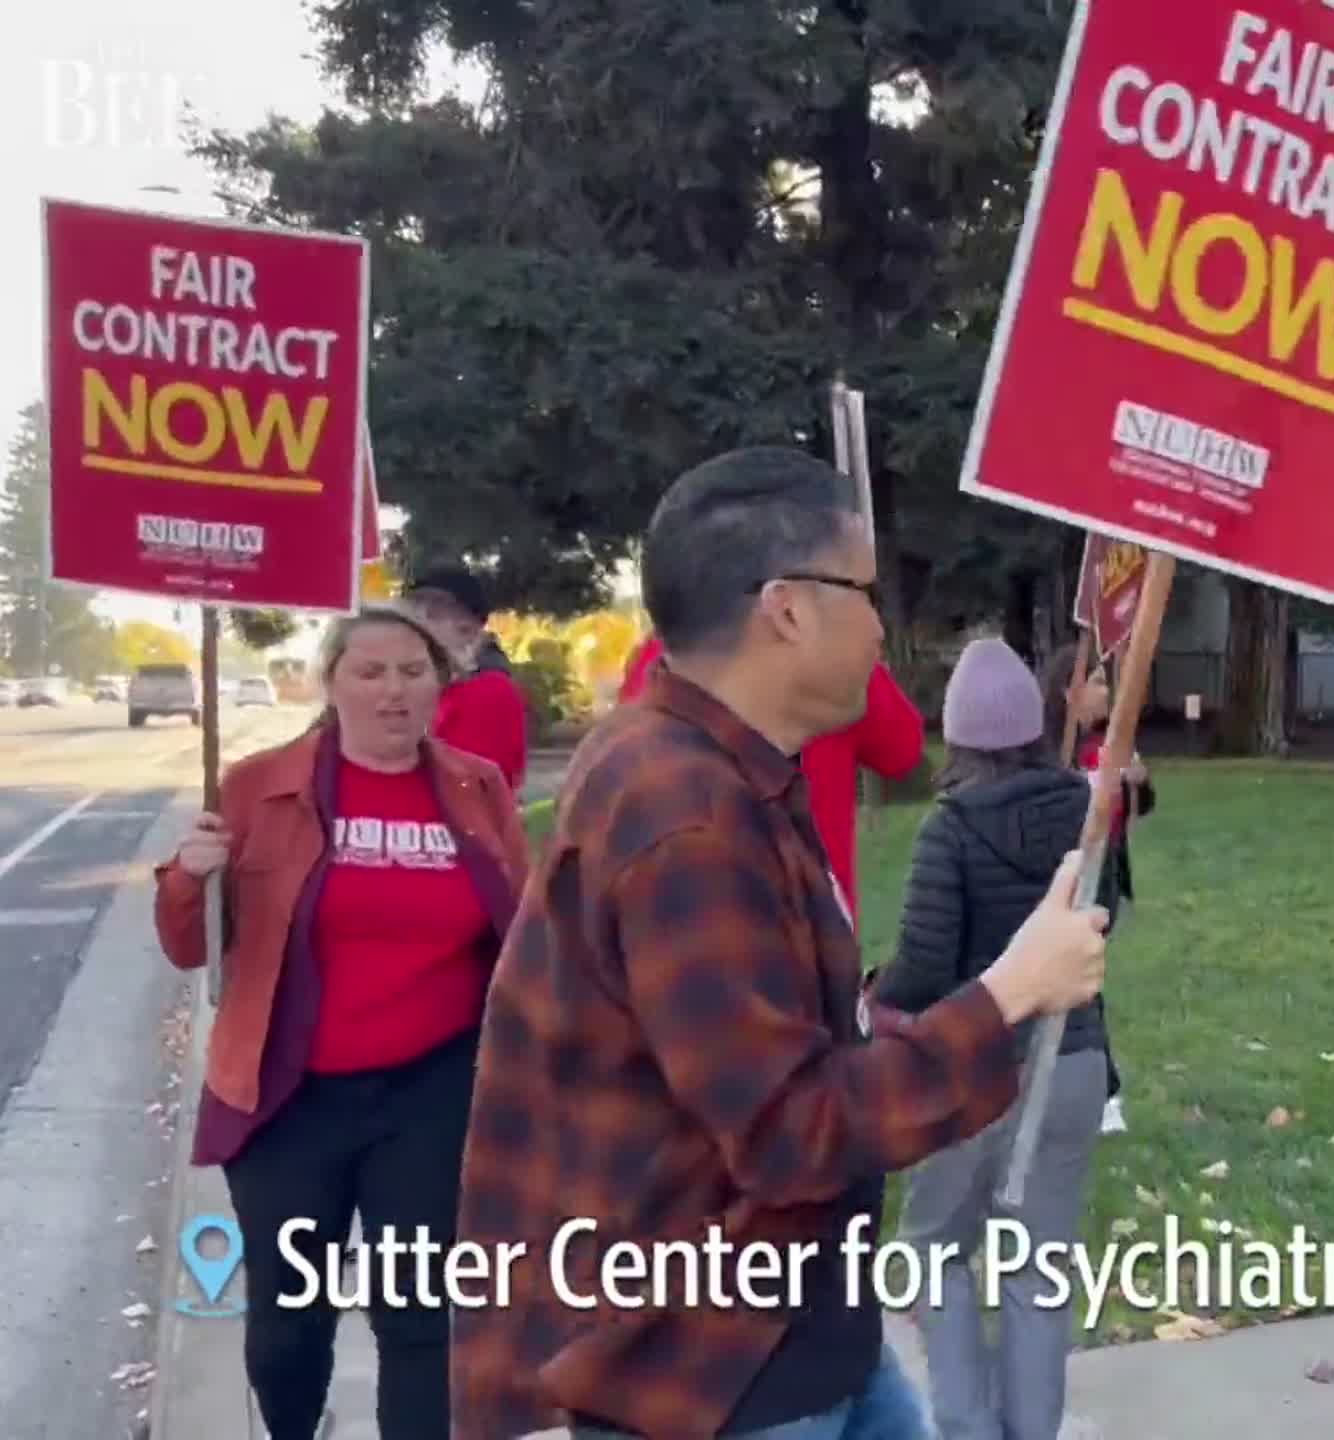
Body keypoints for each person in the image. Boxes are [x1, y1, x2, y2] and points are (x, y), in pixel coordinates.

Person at [447, 447, 1108, 1440]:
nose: (881, 628)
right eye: (865, 593)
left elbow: (772, 1050)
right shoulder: (686, 815)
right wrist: (1008, 993)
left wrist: (894, 1023)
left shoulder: (717, 768)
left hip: (792, 1329)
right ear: (788, 609)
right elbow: (790, 1132)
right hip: (710, 1372)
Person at [152, 605, 529, 1440]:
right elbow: (190, 948)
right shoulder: (257, 786)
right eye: (370, 672)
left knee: (419, 1314)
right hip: (288, 1094)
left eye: (413, 671)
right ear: (330, 685)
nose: (394, 690)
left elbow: (524, 928)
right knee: (288, 1321)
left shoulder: (478, 787)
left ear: (440, 683)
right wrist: (186, 879)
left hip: (433, 1094)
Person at [871, 637, 1119, 1440]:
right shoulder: (1088, 813)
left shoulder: (949, 831)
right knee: (1038, 1266)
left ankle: (970, 1428)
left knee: (932, 1250)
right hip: (1074, 1061)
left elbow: (925, 966)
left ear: (959, 738)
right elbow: (1101, 925)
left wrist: (873, 996)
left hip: (974, 1068)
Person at [618, 629, 924, 916]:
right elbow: (903, 748)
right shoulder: (833, 649)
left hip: (687, 910)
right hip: (814, 917)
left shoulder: (662, 657)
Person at [1043, 648, 1151, 1135]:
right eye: (1098, 681)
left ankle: (1103, 1093)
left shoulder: (1109, 743)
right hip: (1058, 875)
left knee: (1080, 985)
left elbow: (1134, 808)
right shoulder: (1049, 747)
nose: (1108, 692)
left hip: (1098, 877)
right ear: (1070, 690)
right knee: (1068, 985)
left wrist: (1135, 781)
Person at [404, 564, 530, 793]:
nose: (410, 630)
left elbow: (468, 790)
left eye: (429, 615)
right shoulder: (434, 685)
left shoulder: (489, 692)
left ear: (467, 629)